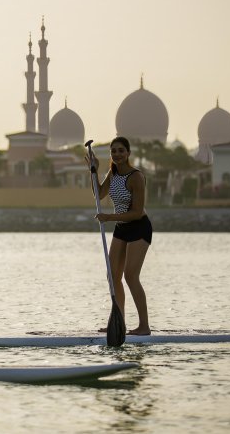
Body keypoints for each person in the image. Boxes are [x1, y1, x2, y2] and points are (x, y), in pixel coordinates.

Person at [90, 136, 153, 336]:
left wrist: (109, 217)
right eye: (113, 151)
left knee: (131, 275)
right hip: (122, 228)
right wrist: (93, 170)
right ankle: (119, 322)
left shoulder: (136, 177)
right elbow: (99, 194)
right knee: (113, 276)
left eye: (121, 150)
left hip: (139, 227)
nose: (117, 154)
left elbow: (137, 212)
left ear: (128, 153)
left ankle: (144, 326)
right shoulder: (113, 172)